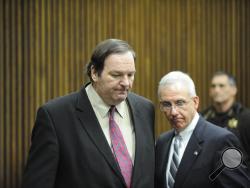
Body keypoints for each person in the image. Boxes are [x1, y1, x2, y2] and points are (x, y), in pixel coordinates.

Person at [22, 39, 155, 188]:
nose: (126, 83)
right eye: (116, 75)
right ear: (94, 73)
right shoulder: (55, 116)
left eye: (130, 75)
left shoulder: (145, 109)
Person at [155, 71, 250, 188]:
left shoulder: (222, 140)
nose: (173, 112)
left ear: (195, 102)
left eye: (180, 103)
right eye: (166, 104)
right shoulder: (162, 142)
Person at [201, 71, 250, 167]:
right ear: (210, 92)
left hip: (241, 176)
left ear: (233, 90)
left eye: (221, 86)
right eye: (213, 86)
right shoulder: (203, 118)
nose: (217, 90)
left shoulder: (246, 117)